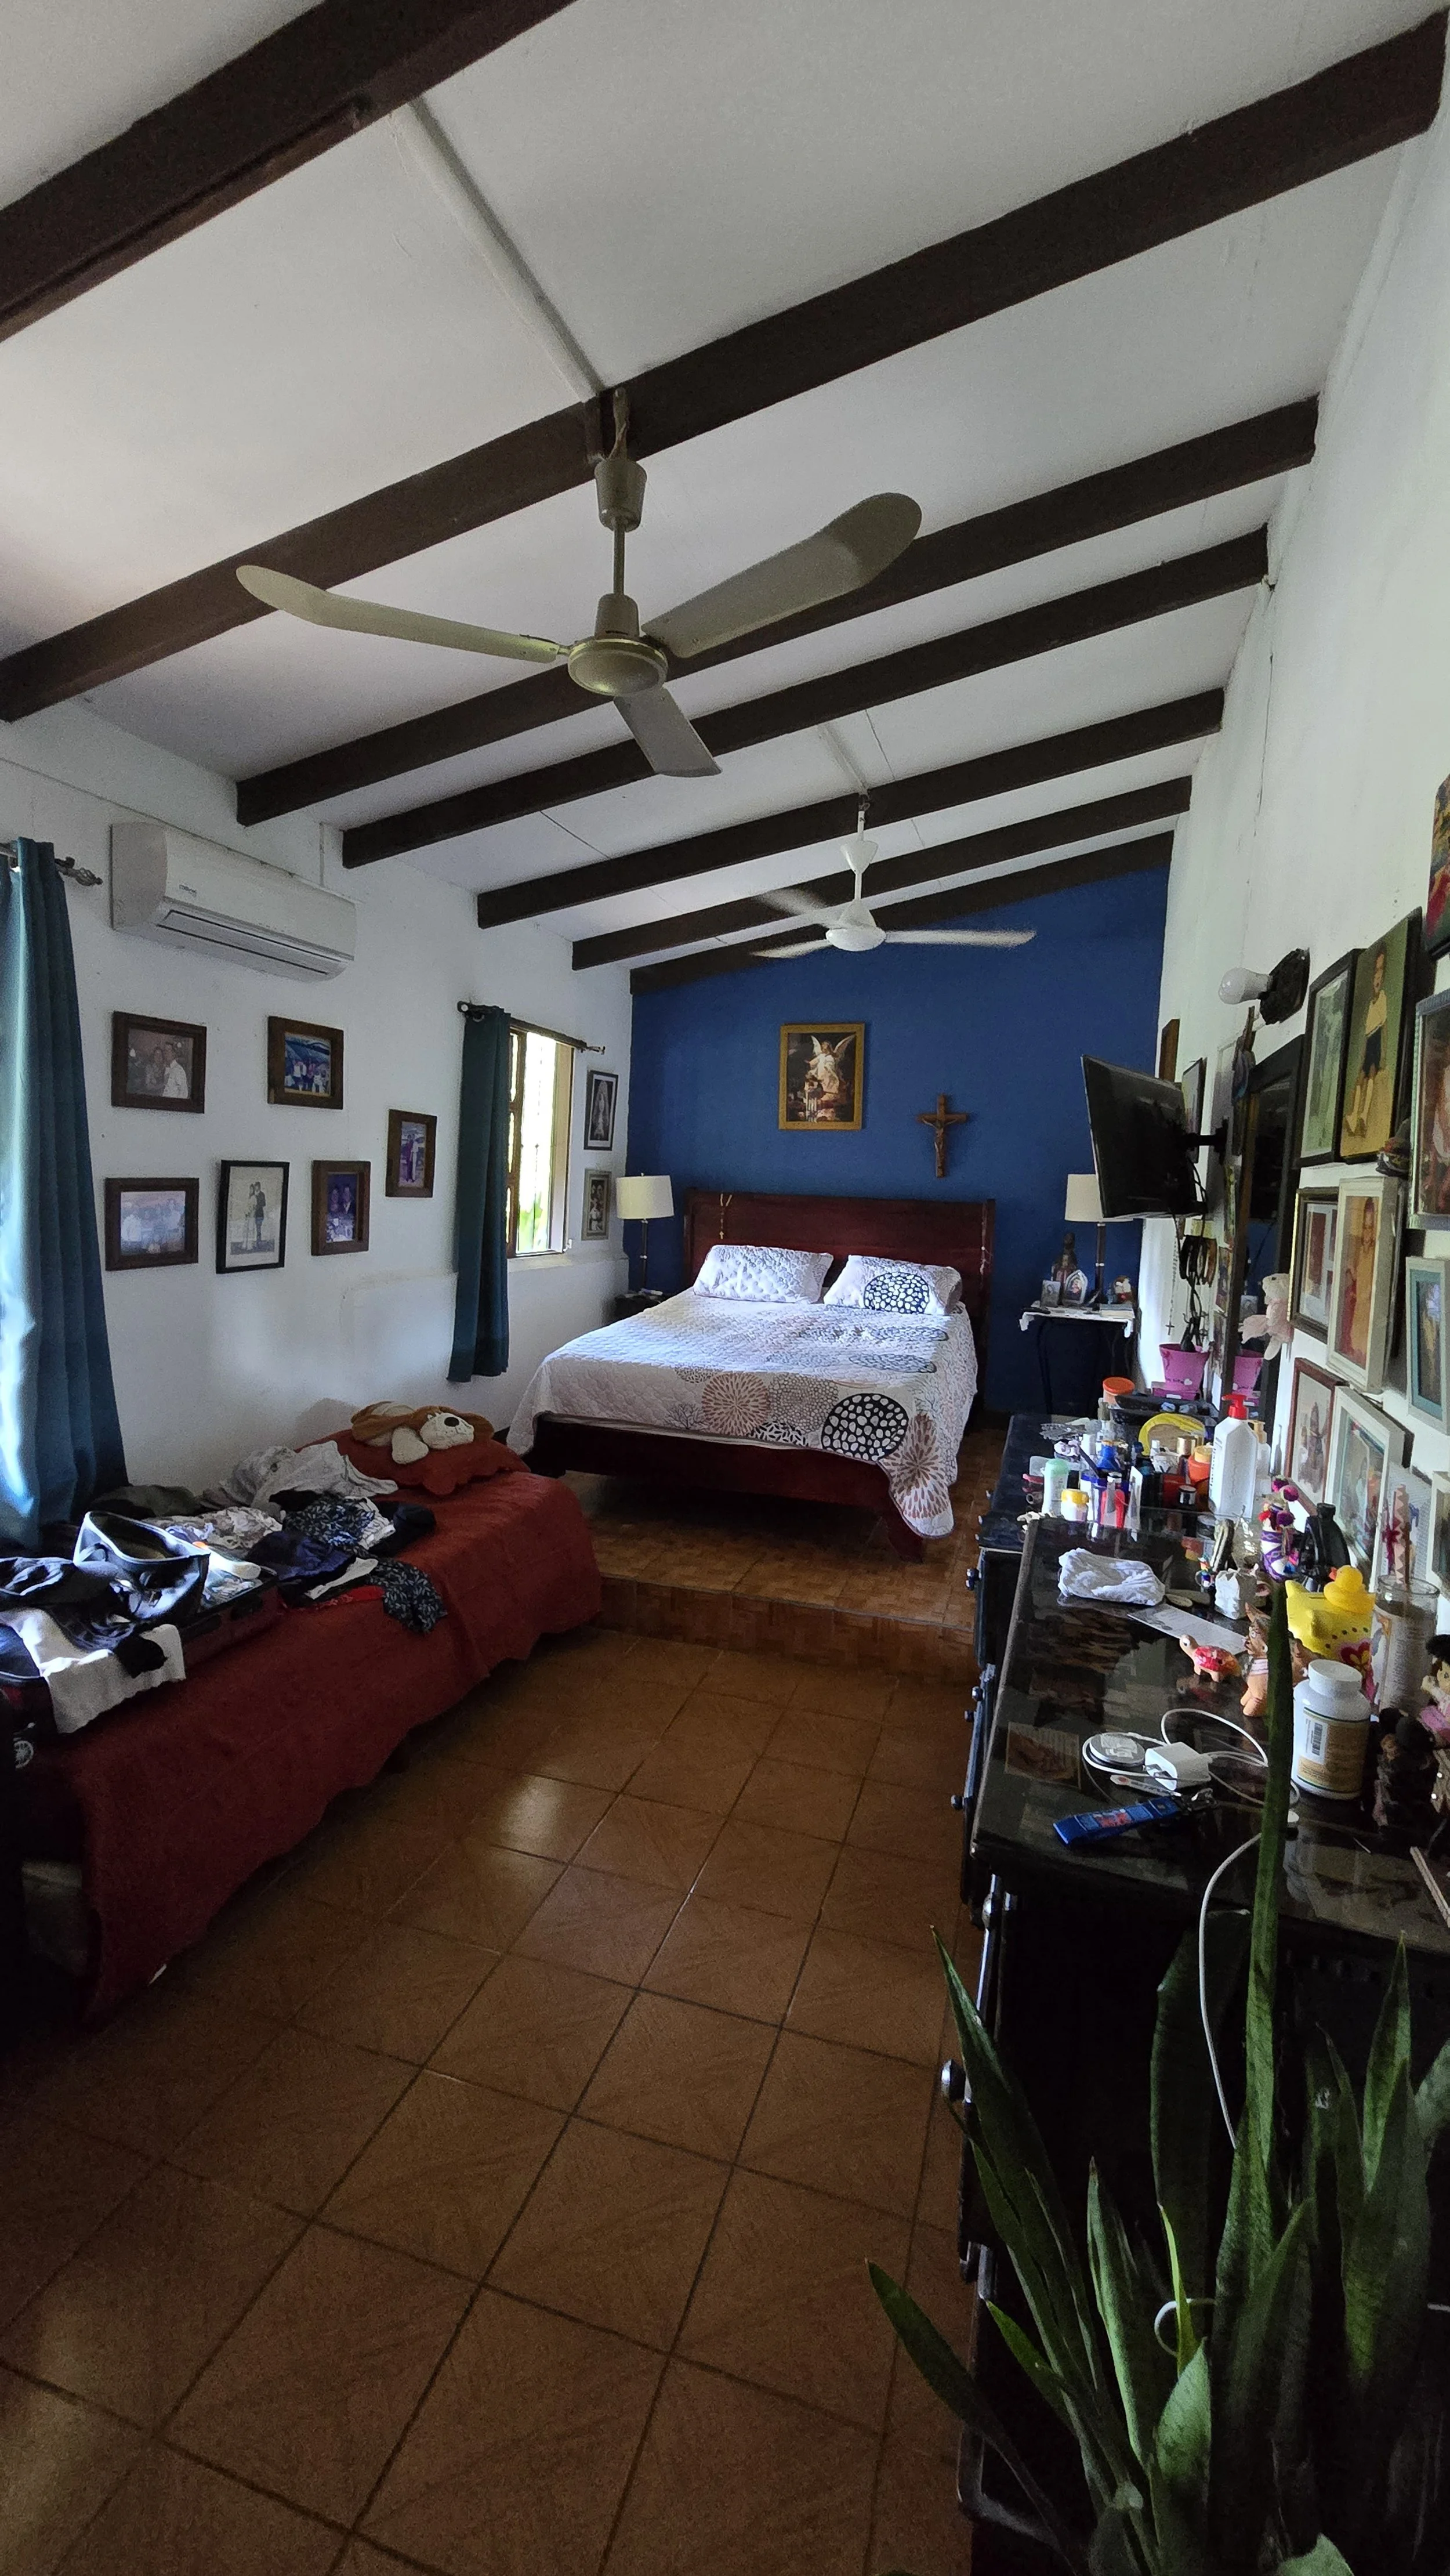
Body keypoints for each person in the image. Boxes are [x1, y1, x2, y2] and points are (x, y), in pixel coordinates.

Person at [1344, 945, 1389, 1143]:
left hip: (1376, 1039)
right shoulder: (1371, 1003)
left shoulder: (1383, 1000)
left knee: (1370, 1075)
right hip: (1370, 1039)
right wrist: (1363, 1052)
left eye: (1382, 970)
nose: (1378, 977)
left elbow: (1384, 1027)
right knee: (1361, 1078)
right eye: (1376, 971)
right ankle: (1355, 1116)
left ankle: (1362, 1116)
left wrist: (1384, 1054)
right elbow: (1365, 1034)